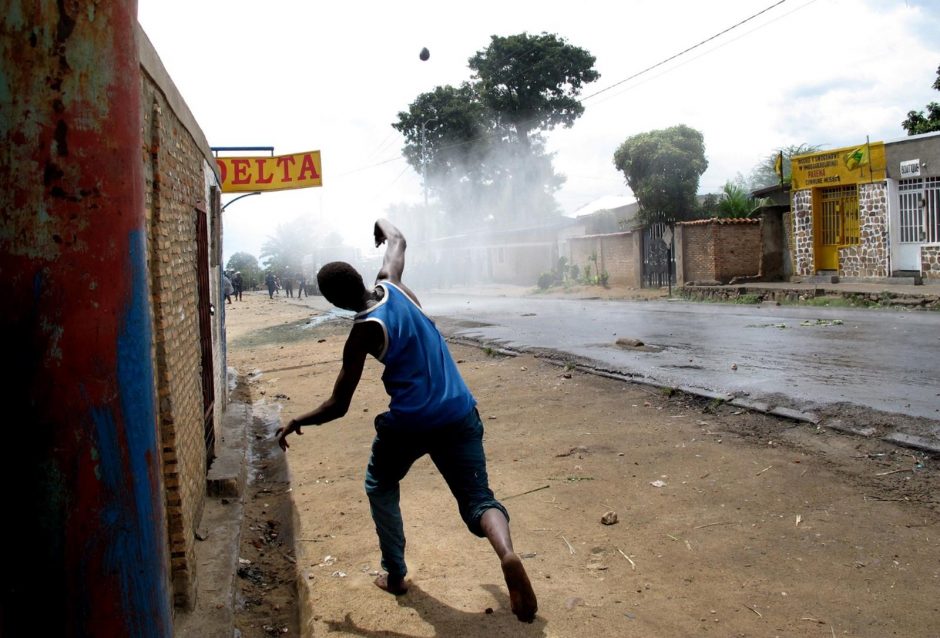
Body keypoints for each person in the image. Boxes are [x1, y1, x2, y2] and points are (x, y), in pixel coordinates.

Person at [276, 219, 537, 623]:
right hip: (458, 410)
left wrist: (297, 419)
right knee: (479, 499)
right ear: (362, 276)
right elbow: (398, 238)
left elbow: (339, 404)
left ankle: (395, 573)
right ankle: (506, 552)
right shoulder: (392, 283)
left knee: (380, 483)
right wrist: (380, 224)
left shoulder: (363, 331)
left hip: (411, 423)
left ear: (333, 301)